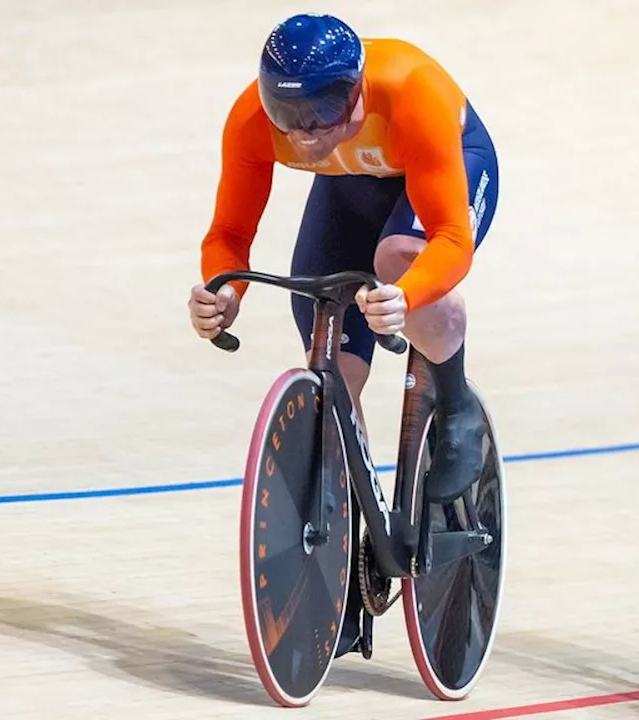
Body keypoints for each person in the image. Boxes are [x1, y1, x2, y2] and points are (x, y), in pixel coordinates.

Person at [185, 13, 500, 655]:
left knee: (396, 259)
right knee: (332, 366)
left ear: (357, 87)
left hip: (446, 171)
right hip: (350, 192)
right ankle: (354, 555)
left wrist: (407, 296)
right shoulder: (254, 121)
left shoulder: (413, 92)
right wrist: (224, 290)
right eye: (289, 115)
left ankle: (456, 400)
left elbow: (451, 239)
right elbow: (228, 237)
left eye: (327, 108)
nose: (308, 133)